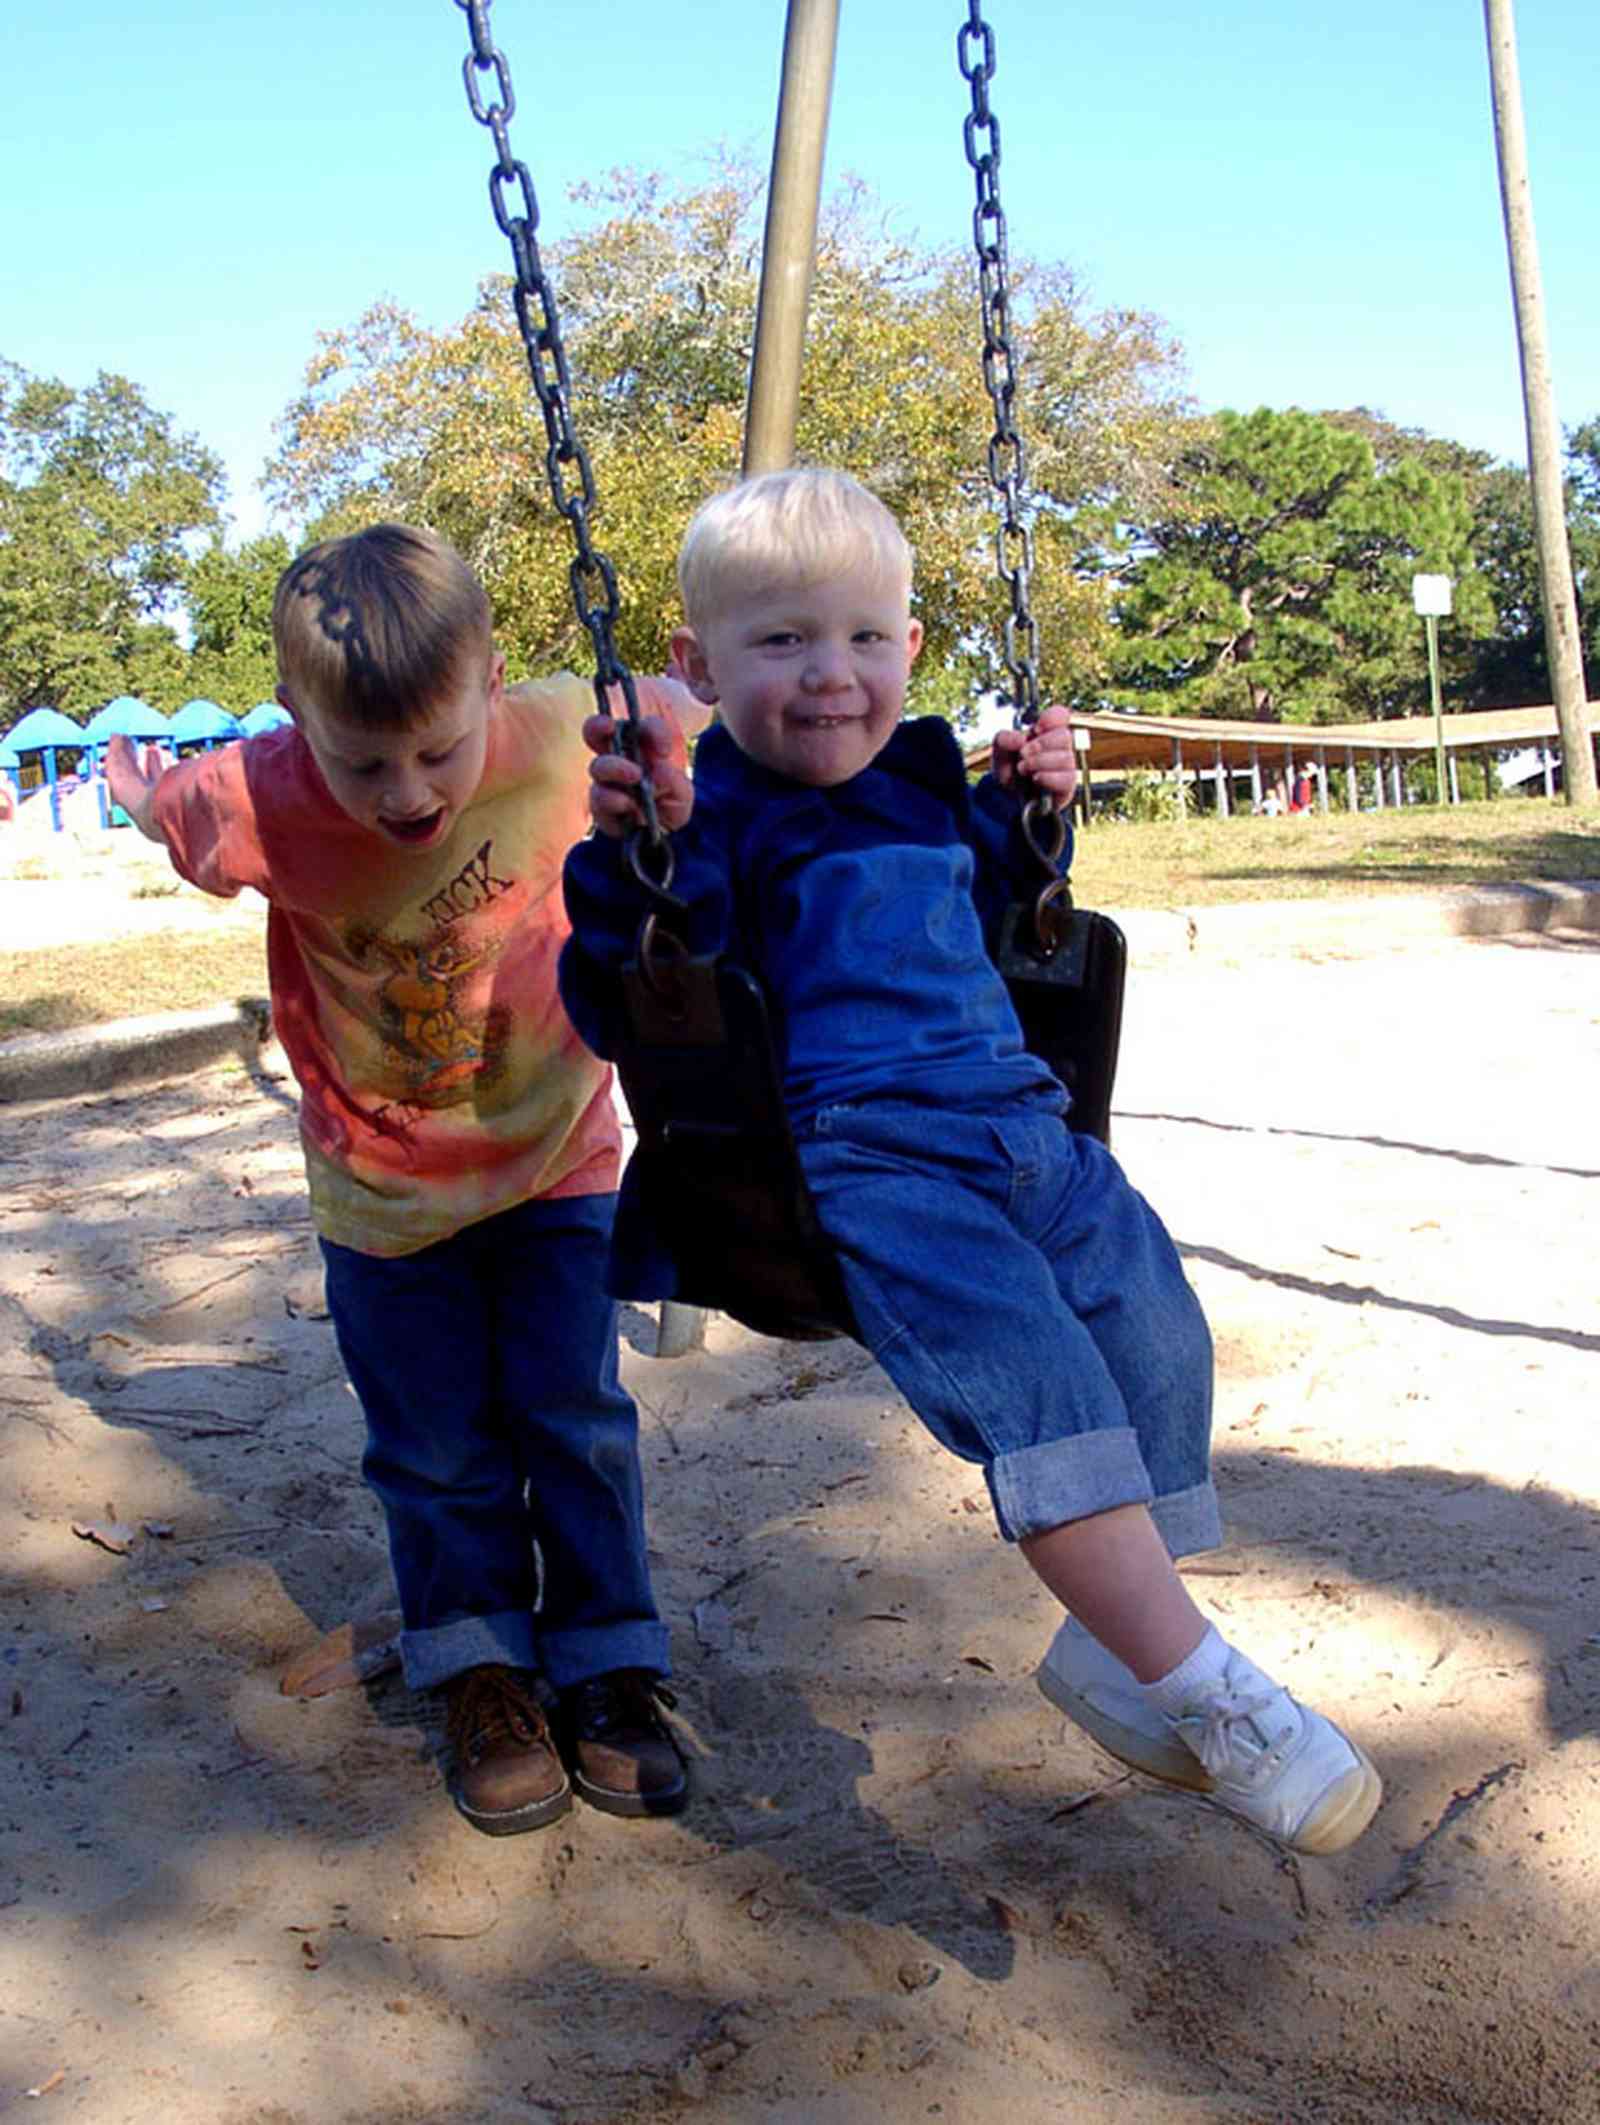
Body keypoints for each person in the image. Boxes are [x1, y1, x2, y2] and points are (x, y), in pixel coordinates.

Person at [560, 468, 1382, 1857]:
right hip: (870, 1161)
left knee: (1157, 1329)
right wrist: (640, 851)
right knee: (1041, 1388)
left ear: (912, 649)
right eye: (782, 643)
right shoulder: (712, 822)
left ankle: (1112, 1648)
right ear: (696, 667)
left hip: (1024, 1123)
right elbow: (630, 987)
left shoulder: (928, 778)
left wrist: (1034, 814)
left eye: (866, 639)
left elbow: (1000, 907)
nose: (833, 678)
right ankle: (1211, 1691)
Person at [106, 523, 699, 1838]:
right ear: (295, 723)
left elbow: (694, 707)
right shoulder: (262, 795)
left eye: (438, 749)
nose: (410, 791)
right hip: (381, 1191)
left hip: (557, 1156)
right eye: (363, 763)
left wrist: (695, 718)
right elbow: (174, 815)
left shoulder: (560, 733)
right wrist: (142, 787)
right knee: (434, 1445)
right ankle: (479, 1664)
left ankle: (609, 1661)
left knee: (573, 1412)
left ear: (493, 677)